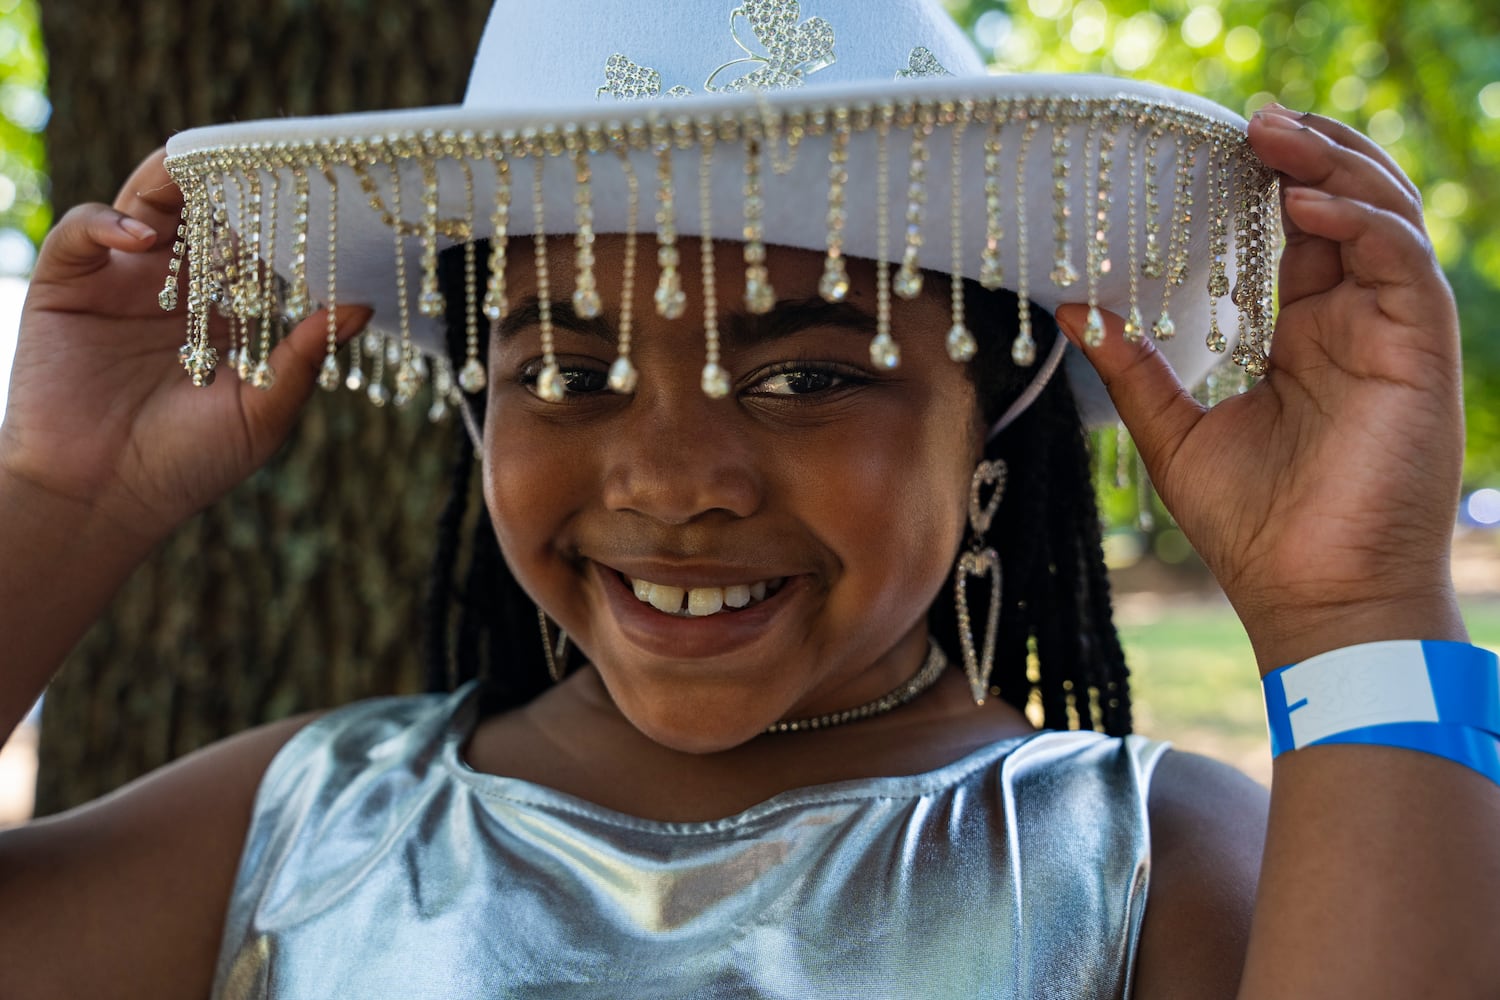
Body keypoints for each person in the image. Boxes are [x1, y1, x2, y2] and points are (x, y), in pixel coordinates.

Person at [1, 0, 1496, 996]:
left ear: (997, 413)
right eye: (568, 372)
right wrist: (58, 497)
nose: (675, 482)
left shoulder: (1151, 866)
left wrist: (1353, 609)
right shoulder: (303, 831)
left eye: (805, 380)